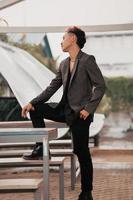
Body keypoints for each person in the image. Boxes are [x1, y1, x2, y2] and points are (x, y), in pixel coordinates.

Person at [21, 26, 105, 200]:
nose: (61, 41)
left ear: (73, 39)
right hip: (63, 110)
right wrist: (31, 102)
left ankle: (86, 192)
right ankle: (41, 147)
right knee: (36, 109)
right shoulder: (64, 63)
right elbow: (51, 88)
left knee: (81, 152)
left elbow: (100, 86)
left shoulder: (88, 60)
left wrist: (88, 109)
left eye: (63, 37)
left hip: (81, 114)